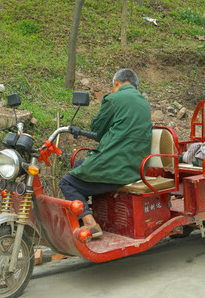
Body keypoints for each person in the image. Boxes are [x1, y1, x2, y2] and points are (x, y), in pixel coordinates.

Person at [59, 68, 152, 238]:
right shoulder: (144, 102)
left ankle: (90, 224)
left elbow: (98, 129)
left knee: (67, 182)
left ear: (116, 83)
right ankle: (85, 215)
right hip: (137, 165)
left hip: (117, 166)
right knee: (80, 165)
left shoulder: (113, 98)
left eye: (112, 86)